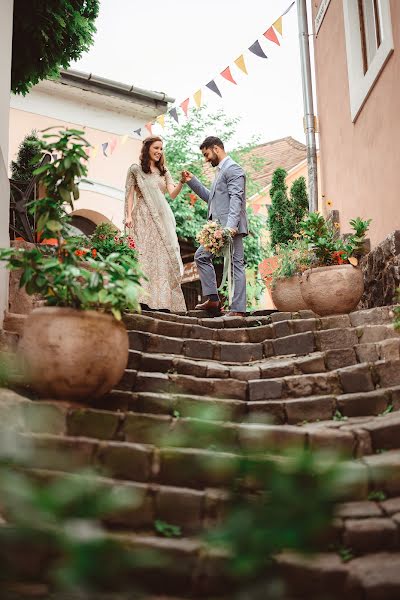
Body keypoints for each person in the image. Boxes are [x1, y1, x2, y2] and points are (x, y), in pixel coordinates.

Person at [182, 136, 248, 317]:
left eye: (207, 154)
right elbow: (212, 199)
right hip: (217, 229)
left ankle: (238, 310)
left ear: (216, 149)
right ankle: (213, 300)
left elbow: (236, 198)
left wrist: (230, 227)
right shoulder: (220, 172)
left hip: (229, 227)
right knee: (201, 256)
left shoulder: (233, 169)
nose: (206, 159)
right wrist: (192, 181)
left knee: (236, 265)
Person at [125, 136, 186, 312]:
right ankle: (141, 298)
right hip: (143, 215)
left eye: (161, 148)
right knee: (144, 255)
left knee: (162, 256)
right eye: (156, 148)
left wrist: (182, 181)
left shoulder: (164, 171)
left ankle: (162, 301)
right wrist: (128, 216)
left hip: (162, 217)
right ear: (147, 149)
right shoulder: (136, 170)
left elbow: (172, 194)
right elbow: (129, 194)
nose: (159, 151)